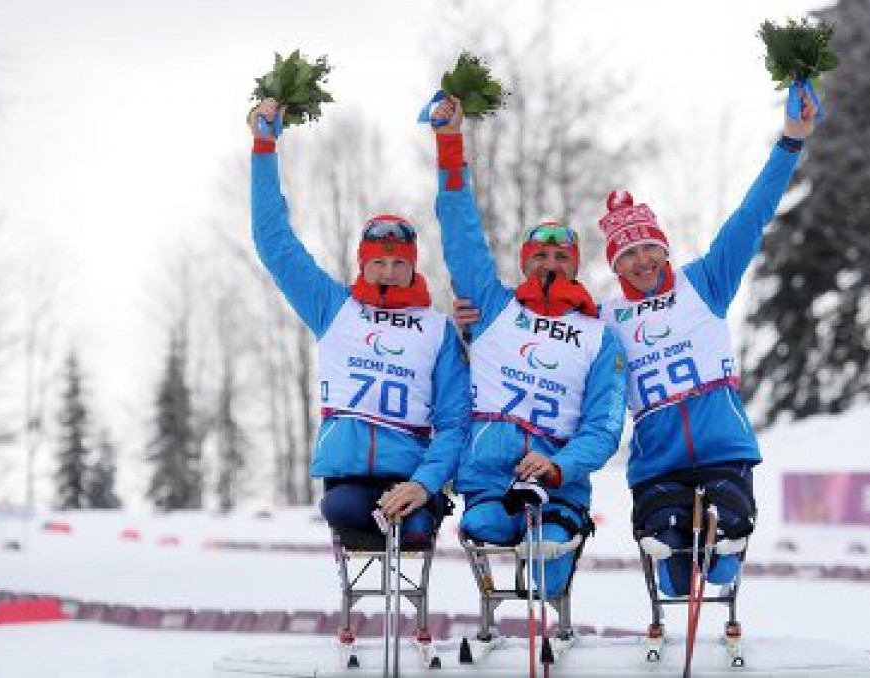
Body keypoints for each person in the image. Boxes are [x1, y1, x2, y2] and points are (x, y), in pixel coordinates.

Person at [596, 91, 819, 596]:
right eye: (629, 254)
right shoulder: (605, 318)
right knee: (674, 582)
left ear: (665, 247)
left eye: (651, 246)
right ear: (615, 264)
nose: (644, 260)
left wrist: (790, 142)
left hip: (723, 448)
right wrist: (474, 322)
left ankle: (726, 552)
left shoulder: (704, 283)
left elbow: (750, 217)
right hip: (658, 462)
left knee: (721, 563)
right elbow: (538, 330)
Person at [249, 98, 469, 547]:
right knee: (345, 511)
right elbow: (274, 243)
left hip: (412, 475)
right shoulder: (334, 308)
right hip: (347, 482)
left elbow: (455, 423)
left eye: (397, 262)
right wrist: (264, 147)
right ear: (362, 264)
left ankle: (416, 518)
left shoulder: (436, 328)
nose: (388, 271)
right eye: (378, 262)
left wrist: (425, 484)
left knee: (411, 530)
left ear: (412, 266)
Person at [430, 95, 626, 597]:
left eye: (562, 256)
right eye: (540, 255)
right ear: (525, 262)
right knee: (490, 530)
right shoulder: (495, 310)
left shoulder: (599, 334)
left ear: (576, 265)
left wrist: (560, 465)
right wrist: (449, 144)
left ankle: (554, 611)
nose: (551, 264)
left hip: (556, 480)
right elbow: (461, 237)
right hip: (488, 476)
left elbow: (604, 425)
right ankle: (493, 620)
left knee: (547, 558)